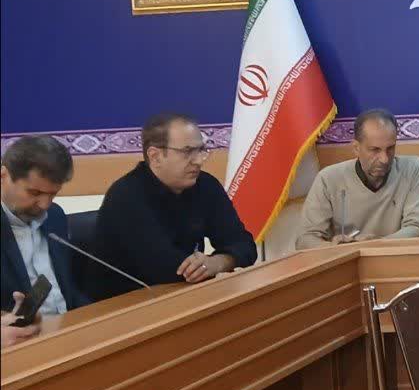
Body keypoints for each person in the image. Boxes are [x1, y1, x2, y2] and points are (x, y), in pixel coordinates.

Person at [92, 113, 257, 300]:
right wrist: (207, 265)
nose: (199, 160)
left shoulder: (206, 185)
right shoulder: (126, 196)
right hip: (125, 305)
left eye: (201, 150)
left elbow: (245, 245)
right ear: (155, 156)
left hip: (182, 296)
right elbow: (168, 270)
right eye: (187, 152)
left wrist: (219, 262)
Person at [296, 109, 419, 250]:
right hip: (345, 259)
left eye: (390, 148)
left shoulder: (413, 169)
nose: (384, 159)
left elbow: (417, 228)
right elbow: (305, 239)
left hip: (394, 258)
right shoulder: (328, 179)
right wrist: (334, 247)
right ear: (356, 148)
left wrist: (376, 244)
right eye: (375, 150)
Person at [1, 135, 91, 321]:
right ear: (3, 176)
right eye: (35, 193)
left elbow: (67, 290)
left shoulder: (55, 216)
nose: (45, 204)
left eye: (53, 194)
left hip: (69, 326)